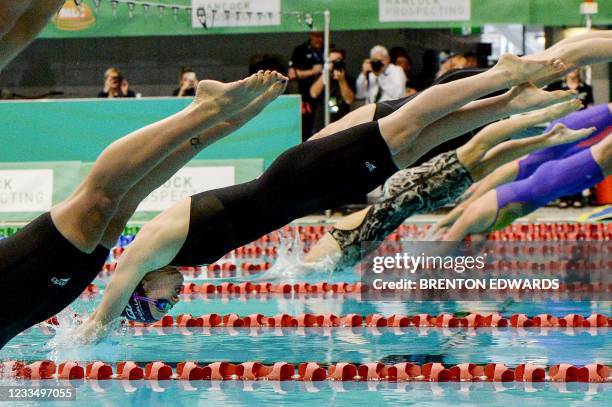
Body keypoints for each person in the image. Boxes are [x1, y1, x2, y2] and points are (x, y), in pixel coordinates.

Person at [75, 52, 573, 341]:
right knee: (416, 142)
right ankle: (508, 103)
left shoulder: (155, 246)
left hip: (299, 181)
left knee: (407, 125)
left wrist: (97, 324)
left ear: (142, 288)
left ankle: (499, 77)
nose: (174, 304)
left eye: (159, 306)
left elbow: (113, 286)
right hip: (310, 190)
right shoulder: (176, 255)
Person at [0, 71, 288, 350]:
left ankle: (205, 108)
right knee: (124, 199)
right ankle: (215, 116)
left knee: (99, 200)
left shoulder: (141, 266)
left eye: (162, 303)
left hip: (14, 291)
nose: (173, 301)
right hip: (34, 305)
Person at [303, 100, 586, 268]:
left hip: (414, 189)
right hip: (424, 197)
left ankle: (536, 116)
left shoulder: (332, 250)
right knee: (485, 162)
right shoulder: (345, 243)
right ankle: (546, 138)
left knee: (478, 148)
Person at [433, 103, 612, 235]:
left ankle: (439, 232)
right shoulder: (474, 220)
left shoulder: (473, 219)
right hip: (548, 178)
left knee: (529, 162)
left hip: (547, 176)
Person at [439, 133, 610, 242]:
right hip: (557, 186)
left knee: (605, 152)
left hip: (549, 181)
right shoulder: (480, 228)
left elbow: (443, 248)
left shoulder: (471, 216)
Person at [288, 31, 325, 140]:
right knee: (306, 128)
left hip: (324, 97)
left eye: (322, 36)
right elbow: (292, 74)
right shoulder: (300, 50)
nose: (320, 39)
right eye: (317, 36)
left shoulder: (329, 50)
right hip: (305, 97)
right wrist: (313, 71)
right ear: (311, 35)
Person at [309, 48, 355, 133]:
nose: (335, 64)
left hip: (341, 125)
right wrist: (325, 73)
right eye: (332, 61)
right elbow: (313, 93)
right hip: (321, 125)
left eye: (338, 61)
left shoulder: (348, 79)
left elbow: (349, 100)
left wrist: (342, 80)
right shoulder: (321, 77)